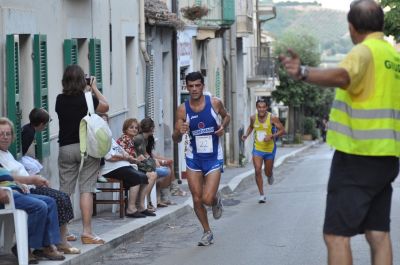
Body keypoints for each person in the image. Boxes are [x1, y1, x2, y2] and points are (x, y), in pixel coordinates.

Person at [279, 1, 400, 264]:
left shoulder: (363, 52)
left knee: (335, 236)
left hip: (358, 156)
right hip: (387, 157)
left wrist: (303, 72)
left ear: (352, 27)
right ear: (380, 24)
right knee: (378, 233)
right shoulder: (393, 57)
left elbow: (343, 77)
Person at [0, 117, 78, 257]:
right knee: (45, 203)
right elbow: (7, 178)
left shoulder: (7, 154)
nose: (5, 137)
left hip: (23, 188)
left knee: (54, 200)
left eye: (8, 134)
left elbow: (7, 176)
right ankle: (29, 246)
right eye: (1, 134)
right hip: (12, 192)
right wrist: (30, 180)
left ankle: (51, 243)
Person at [172, 71, 231, 246]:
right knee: (196, 198)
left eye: (198, 85)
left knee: (206, 199)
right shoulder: (182, 109)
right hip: (193, 158)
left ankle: (215, 199)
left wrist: (223, 127)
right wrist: (179, 131)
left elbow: (227, 116)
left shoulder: (214, 103)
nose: (194, 89)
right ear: (186, 87)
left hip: (213, 157)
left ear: (203, 86)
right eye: (191, 86)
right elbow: (175, 138)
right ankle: (207, 232)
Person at [55, 64, 109, 244]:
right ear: (81, 81)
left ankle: (63, 233)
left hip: (65, 148)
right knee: (86, 188)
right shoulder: (88, 99)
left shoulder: (59, 100)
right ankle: (87, 232)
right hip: (87, 148)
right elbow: (106, 106)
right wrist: (93, 88)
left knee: (65, 191)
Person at [0, 166, 65, 263]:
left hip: (14, 191)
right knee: (39, 206)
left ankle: (46, 246)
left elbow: (9, 177)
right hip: (6, 195)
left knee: (50, 202)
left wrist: (32, 179)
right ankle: (24, 246)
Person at [98, 113, 152, 218]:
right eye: (102, 121)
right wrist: (126, 158)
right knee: (136, 177)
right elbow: (110, 157)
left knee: (144, 177)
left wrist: (132, 159)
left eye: (106, 121)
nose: (105, 123)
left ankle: (141, 206)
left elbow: (124, 153)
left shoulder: (110, 138)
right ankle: (131, 209)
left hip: (123, 166)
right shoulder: (100, 138)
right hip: (110, 168)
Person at [241, 98, 285, 203]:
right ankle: (261, 194)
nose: (261, 109)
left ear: (266, 108)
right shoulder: (253, 118)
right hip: (258, 148)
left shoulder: (272, 118)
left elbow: (283, 130)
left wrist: (272, 136)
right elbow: (251, 127)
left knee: (267, 172)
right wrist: (246, 135)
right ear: (256, 107)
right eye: (259, 107)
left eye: (263, 107)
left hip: (270, 149)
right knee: (257, 170)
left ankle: (270, 175)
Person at [116, 118, 157, 215]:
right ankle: (136, 206)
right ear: (125, 129)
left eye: (136, 128)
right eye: (131, 127)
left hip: (131, 166)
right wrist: (138, 159)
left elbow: (134, 156)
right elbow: (125, 156)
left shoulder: (131, 139)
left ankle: (141, 205)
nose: (134, 129)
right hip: (123, 167)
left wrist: (139, 159)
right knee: (147, 175)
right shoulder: (126, 139)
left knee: (150, 175)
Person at [134, 118, 174, 208]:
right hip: (139, 165)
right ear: (151, 128)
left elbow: (146, 154)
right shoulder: (140, 138)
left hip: (143, 163)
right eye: (153, 127)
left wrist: (155, 160)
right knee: (162, 172)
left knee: (165, 170)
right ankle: (144, 201)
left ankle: (156, 199)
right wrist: (155, 161)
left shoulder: (145, 138)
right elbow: (142, 155)